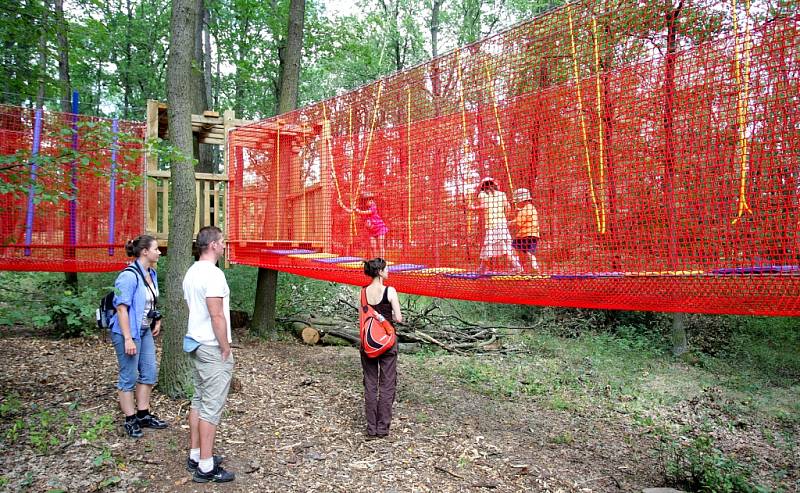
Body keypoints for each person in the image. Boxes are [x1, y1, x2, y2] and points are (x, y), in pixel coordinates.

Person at [182, 226, 235, 483]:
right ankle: (205, 466)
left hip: (195, 342)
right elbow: (216, 315)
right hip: (211, 347)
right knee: (211, 408)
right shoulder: (213, 275)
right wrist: (225, 346)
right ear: (213, 245)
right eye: (222, 242)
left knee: (199, 400)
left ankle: (195, 454)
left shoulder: (191, 272)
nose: (224, 246)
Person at [110, 235, 168, 438]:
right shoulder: (128, 276)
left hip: (144, 331)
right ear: (145, 252)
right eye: (156, 249)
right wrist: (127, 338)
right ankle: (130, 419)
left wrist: (157, 319)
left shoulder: (151, 273)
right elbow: (122, 309)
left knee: (150, 373)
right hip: (128, 332)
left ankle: (143, 415)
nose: (159, 252)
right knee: (129, 376)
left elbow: (149, 302)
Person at [360, 258, 402, 439]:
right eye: (386, 269)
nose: (388, 271)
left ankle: (371, 429)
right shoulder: (390, 291)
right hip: (387, 342)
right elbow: (398, 318)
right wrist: (388, 315)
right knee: (387, 384)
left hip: (368, 342)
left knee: (370, 383)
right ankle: (382, 428)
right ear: (379, 272)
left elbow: (362, 318)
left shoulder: (362, 292)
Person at [468, 177, 522, 275]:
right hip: (502, 225)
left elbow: (484, 206)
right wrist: (509, 212)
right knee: (505, 247)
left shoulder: (482, 194)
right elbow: (508, 208)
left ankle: (483, 268)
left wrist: (472, 208)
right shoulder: (502, 194)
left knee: (489, 247)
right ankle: (517, 267)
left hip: (492, 225)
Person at [343, 192, 389, 258]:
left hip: (380, 228)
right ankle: (375, 262)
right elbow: (350, 211)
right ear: (364, 201)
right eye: (369, 200)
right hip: (371, 231)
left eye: (372, 199)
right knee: (373, 246)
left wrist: (357, 210)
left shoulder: (373, 206)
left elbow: (366, 212)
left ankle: (382, 262)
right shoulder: (362, 207)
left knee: (380, 245)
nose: (372, 201)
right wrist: (342, 205)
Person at [509, 188, 540, 272]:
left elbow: (518, 223)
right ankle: (534, 266)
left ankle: (518, 268)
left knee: (512, 249)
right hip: (534, 234)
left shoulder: (524, 210)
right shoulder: (532, 208)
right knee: (529, 251)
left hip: (525, 234)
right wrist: (519, 211)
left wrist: (508, 223)